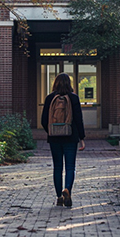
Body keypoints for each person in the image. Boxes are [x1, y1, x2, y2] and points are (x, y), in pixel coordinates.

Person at [41, 73, 85, 207]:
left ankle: (59, 197)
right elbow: (78, 119)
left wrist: (51, 131)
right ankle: (67, 189)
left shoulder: (49, 98)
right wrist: (81, 138)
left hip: (54, 139)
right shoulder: (73, 98)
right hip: (70, 137)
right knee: (70, 166)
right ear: (69, 83)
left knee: (58, 167)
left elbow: (43, 120)